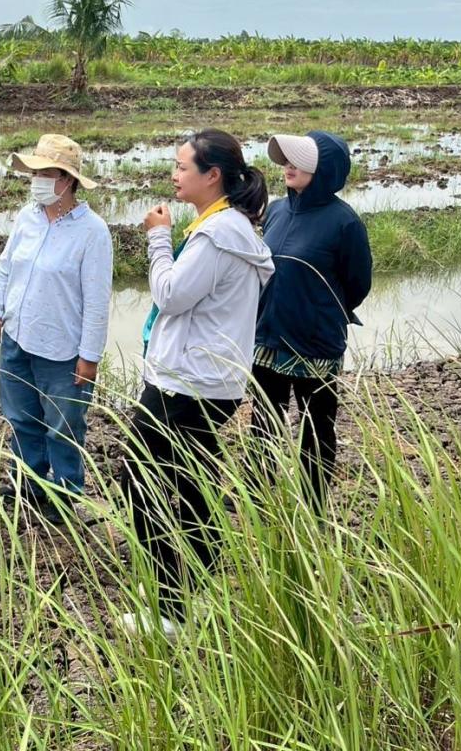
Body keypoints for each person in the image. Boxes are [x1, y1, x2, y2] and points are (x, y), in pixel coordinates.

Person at [118, 129, 274, 639]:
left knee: (146, 486)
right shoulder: (235, 229)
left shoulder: (214, 235)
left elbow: (170, 295)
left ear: (213, 176)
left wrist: (158, 236)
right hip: (212, 382)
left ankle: (170, 611)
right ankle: (196, 590)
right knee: (189, 485)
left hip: (185, 385)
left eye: (183, 167)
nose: (174, 175)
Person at [0, 134, 112, 522]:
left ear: (67, 180)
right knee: (22, 419)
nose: (36, 180)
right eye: (33, 172)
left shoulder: (92, 231)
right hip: (18, 340)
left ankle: (66, 492)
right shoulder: (27, 216)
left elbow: (97, 300)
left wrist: (89, 357)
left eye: (45, 173)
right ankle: (30, 483)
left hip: (63, 352)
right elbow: (5, 267)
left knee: (63, 426)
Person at [251, 132, 372, 511]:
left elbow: (357, 284)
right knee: (262, 426)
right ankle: (260, 503)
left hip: (315, 345)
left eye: (298, 161)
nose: (288, 166)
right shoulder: (276, 210)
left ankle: (313, 509)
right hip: (267, 340)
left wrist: (321, 310)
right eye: (286, 159)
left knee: (316, 432)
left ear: (325, 171)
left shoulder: (344, 222)